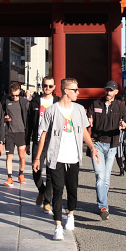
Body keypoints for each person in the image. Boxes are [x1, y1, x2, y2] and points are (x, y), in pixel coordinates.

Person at [33, 78, 100, 240]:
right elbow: (43, 135)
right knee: (57, 191)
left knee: (72, 189)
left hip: (74, 156)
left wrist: (92, 147)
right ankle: (57, 226)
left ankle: (70, 214)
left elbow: (84, 131)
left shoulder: (78, 110)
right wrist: (37, 158)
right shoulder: (52, 111)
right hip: (56, 157)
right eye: (75, 90)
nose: (78, 93)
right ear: (65, 91)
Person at [88, 80, 126, 220]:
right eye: (107, 90)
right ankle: (103, 206)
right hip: (97, 144)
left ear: (116, 92)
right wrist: (88, 121)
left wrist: (124, 125)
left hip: (112, 145)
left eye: (111, 90)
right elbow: (87, 119)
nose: (108, 92)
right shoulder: (95, 104)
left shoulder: (120, 106)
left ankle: (103, 204)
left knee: (106, 178)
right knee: (100, 175)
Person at [26, 75, 59, 211]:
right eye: (45, 85)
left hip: (53, 141)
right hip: (38, 139)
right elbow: (28, 123)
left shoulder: (58, 102)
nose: (47, 88)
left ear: (54, 87)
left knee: (51, 171)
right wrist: (26, 141)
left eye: (50, 86)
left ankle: (47, 200)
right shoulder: (35, 101)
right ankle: (42, 189)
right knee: (36, 170)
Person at [2, 82, 29, 186]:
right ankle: (9, 177)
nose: (14, 97)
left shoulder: (24, 102)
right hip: (9, 133)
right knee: (9, 156)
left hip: (21, 132)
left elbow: (28, 115)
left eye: (17, 95)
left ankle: (21, 174)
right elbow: (2, 115)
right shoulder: (6, 102)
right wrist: (5, 118)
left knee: (22, 156)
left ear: (20, 93)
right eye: (13, 95)